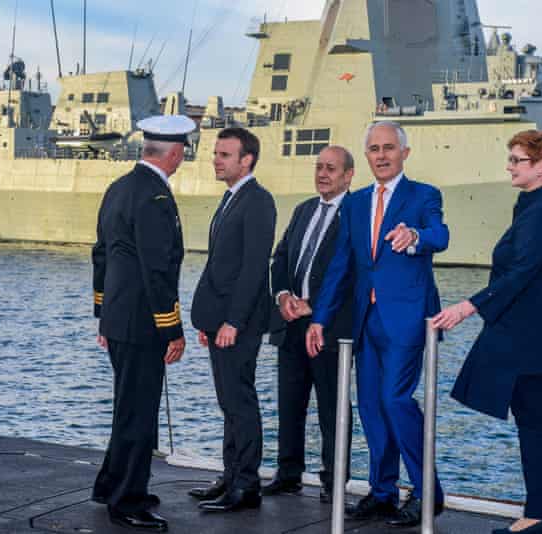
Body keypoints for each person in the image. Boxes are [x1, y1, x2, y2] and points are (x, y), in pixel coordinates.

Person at [432, 130, 542, 534]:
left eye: (518, 160)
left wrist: (466, 307)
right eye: (511, 158)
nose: (510, 166)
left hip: (541, 337)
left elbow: (522, 271)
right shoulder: (538, 204)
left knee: (538, 422)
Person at [307, 121, 448, 527]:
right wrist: (320, 319)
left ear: (405, 153)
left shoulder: (424, 195)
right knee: (370, 406)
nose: (381, 155)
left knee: (395, 400)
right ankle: (383, 492)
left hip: (407, 319)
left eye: (389, 147)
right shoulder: (355, 203)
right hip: (366, 322)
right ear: (366, 155)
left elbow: (440, 234)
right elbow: (341, 266)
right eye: (374, 149)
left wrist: (415, 236)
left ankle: (427, 492)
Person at [90, 115, 195, 532]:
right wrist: (172, 329)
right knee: (139, 415)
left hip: (119, 319)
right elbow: (157, 269)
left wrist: (103, 314)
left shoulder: (118, 188)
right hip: (143, 323)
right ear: (175, 153)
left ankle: (111, 485)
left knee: (127, 408)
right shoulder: (155, 197)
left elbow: (101, 255)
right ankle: (128, 502)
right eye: (182, 152)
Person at [188, 127, 277, 513]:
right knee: (228, 402)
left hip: (238, 324)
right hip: (220, 321)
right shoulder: (231, 199)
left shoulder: (258, 201)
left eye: (225, 155)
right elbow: (220, 265)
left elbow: (253, 269)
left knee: (240, 401)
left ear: (247, 160)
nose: (216, 160)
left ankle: (246, 485)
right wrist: (211, 321)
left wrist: (233, 323)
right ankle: (231, 476)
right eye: (216, 154)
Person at [264, 146, 355, 504]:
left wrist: (314, 305)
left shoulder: (357, 214)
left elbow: (355, 274)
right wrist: (283, 296)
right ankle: (288, 474)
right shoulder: (303, 210)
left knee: (333, 409)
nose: (322, 174)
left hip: (329, 328)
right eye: (319, 167)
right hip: (290, 326)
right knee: (290, 404)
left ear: (348, 175)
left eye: (331, 168)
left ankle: (334, 482)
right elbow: (280, 258)